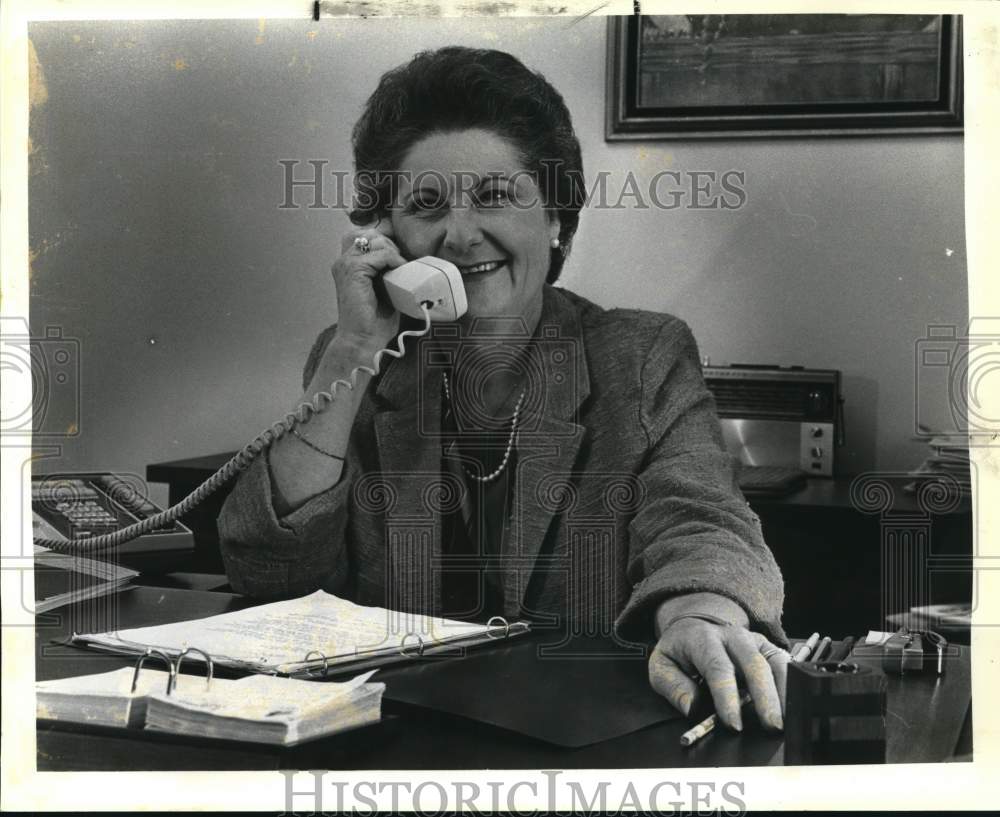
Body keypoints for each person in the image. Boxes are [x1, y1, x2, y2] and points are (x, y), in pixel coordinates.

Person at [218, 46, 790, 734]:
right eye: (426, 205)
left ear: (554, 218)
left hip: (579, 746)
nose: (460, 235)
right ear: (386, 233)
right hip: (396, 743)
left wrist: (699, 611)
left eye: (495, 195)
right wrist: (353, 348)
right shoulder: (359, 362)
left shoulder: (641, 357)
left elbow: (701, 517)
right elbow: (265, 571)